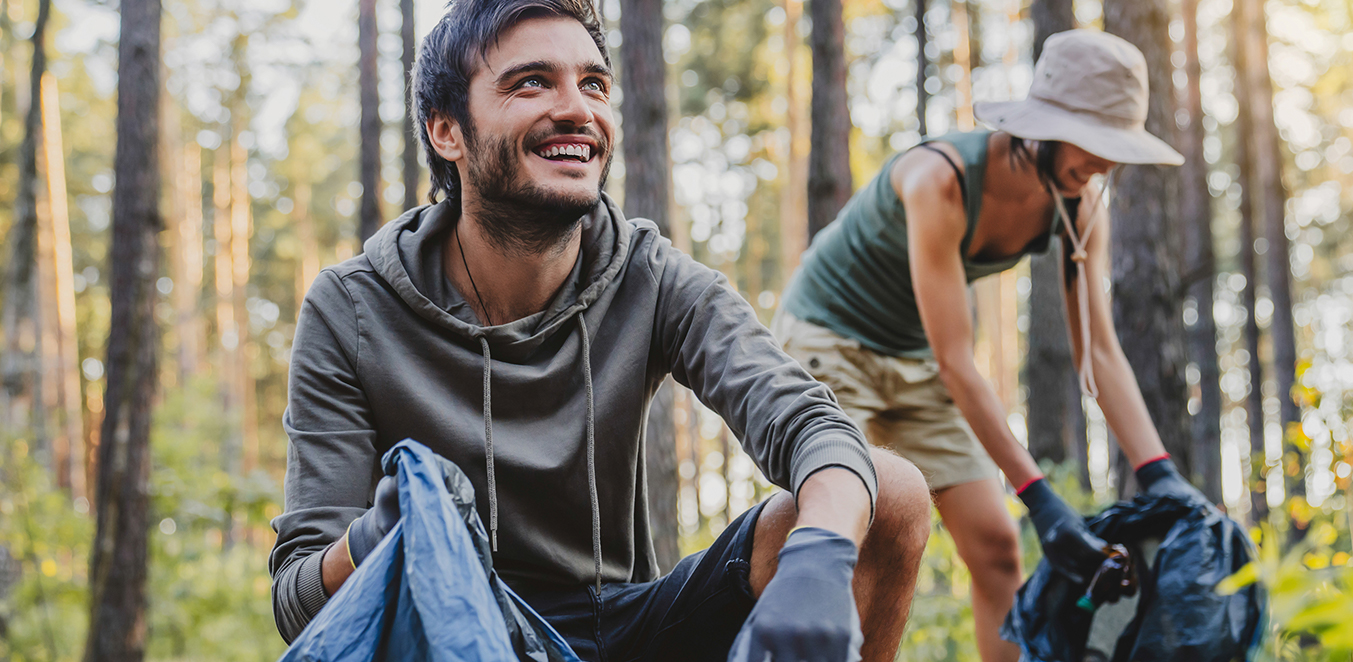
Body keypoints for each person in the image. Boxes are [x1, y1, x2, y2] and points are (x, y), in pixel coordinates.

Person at [267, 0, 932, 660]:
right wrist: (380, 536)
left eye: (593, 83)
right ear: (448, 131)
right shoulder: (350, 307)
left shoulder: (652, 274)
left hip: (627, 627)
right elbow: (298, 603)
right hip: (450, 627)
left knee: (888, 492)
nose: (578, 110)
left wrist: (818, 556)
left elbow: (812, 427)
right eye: (532, 81)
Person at [773, 29, 1212, 662]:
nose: (1105, 165)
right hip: (829, 340)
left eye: (1117, 150)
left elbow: (1101, 353)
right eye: (1094, 145)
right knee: (854, 528)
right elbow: (958, 361)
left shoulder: (1081, 203)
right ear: (1046, 126)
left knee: (999, 547)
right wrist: (1041, 498)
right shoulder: (940, 180)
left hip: (916, 360)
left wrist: (1161, 475)